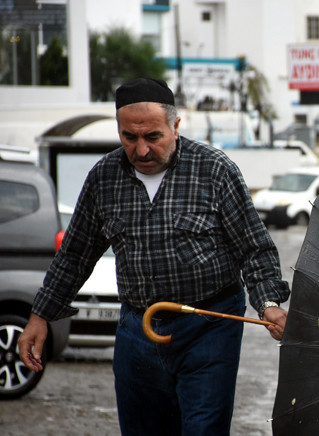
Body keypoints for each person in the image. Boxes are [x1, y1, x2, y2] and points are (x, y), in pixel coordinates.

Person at [18, 78, 291, 435]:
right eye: (129, 138)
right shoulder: (104, 178)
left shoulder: (215, 170)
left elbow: (254, 248)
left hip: (209, 327)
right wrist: (40, 316)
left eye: (153, 137)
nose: (142, 150)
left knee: (203, 428)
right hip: (138, 328)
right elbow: (74, 256)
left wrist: (268, 303)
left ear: (175, 126)